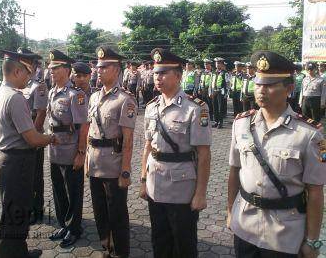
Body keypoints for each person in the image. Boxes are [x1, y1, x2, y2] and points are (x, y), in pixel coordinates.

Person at [227, 50, 326, 258]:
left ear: (289, 89)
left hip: (284, 233)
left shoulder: (309, 135)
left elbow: (315, 192)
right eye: (259, 83)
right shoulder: (241, 124)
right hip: (245, 225)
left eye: (270, 85)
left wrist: (312, 241)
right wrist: (230, 213)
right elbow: (234, 172)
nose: (261, 90)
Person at [139, 48, 212, 258]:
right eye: (155, 73)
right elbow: (147, 147)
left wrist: (200, 193)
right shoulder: (152, 107)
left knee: (183, 243)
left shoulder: (195, 108)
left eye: (163, 73)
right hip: (155, 184)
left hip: (182, 187)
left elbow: (204, 155)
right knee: (159, 240)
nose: (158, 78)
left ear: (178, 76)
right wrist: (143, 180)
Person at [0, 49, 57, 258]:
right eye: (27, 74)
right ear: (17, 72)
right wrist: (51, 138)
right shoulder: (15, 98)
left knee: (16, 212)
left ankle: (19, 253)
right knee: (14, 215)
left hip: (7, 161)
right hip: (17, 162)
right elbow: (33, 139)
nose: (29, 79)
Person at [86, 46, 137, 258]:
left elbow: (128, 140)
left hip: (114, 166)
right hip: (95, 164)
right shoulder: (94, 97)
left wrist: (125, 170)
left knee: (116, 213)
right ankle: (106, 247)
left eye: (104, 67)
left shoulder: (125, 99)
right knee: (99, 211)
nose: (98, 70)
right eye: (98, 67)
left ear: (116, 70)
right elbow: (91, 132)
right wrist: (87, 160)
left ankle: (121, 252)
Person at [46, 50, 89, 247]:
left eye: (55, 68)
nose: (51, 71)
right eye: (50, 68)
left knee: (73, 190)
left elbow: (83, 126)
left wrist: (81, 153)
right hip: (54, 149)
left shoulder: (76, 95)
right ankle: (64, 224)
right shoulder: (52, 92)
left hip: (71, 150)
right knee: (58, 190)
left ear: (66, 70)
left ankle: (74, 228)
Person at [18, 47, 48, 225]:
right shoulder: (19, 84)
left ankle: (36, 209)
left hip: (33, 138)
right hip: (20, 138)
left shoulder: (39, 86)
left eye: (26, 62)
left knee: (35, 177)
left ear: (33, 64)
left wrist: (34, 138)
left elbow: (41, 113)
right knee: (23, 176)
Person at [210, 57, 228, 128]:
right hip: (214, 91)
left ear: (222, 64)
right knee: (215, 107)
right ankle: (216, 121)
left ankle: (220, 122)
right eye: (216, 63)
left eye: (218, 63)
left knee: (220, 108)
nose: (217, 64)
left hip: (221, 92)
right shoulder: (214, 72)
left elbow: (228, 83)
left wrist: (226, 93)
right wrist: (210, 91)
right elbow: (211, 82)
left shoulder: (224, 73)